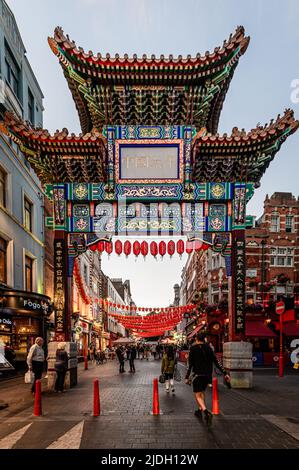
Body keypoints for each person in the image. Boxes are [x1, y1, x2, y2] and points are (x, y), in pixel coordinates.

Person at [185, 332, 230, 427]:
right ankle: (199, 409)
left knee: (197, 395)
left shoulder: (193, 349)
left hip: (197, 375)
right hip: (207, 376)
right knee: (202, 392)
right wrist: (225, 373)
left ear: (196, 339)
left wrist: (186, 377)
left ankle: (206, 412)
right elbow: (217, 362)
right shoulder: (209, 348)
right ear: (204, 339)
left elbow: (190, 365)